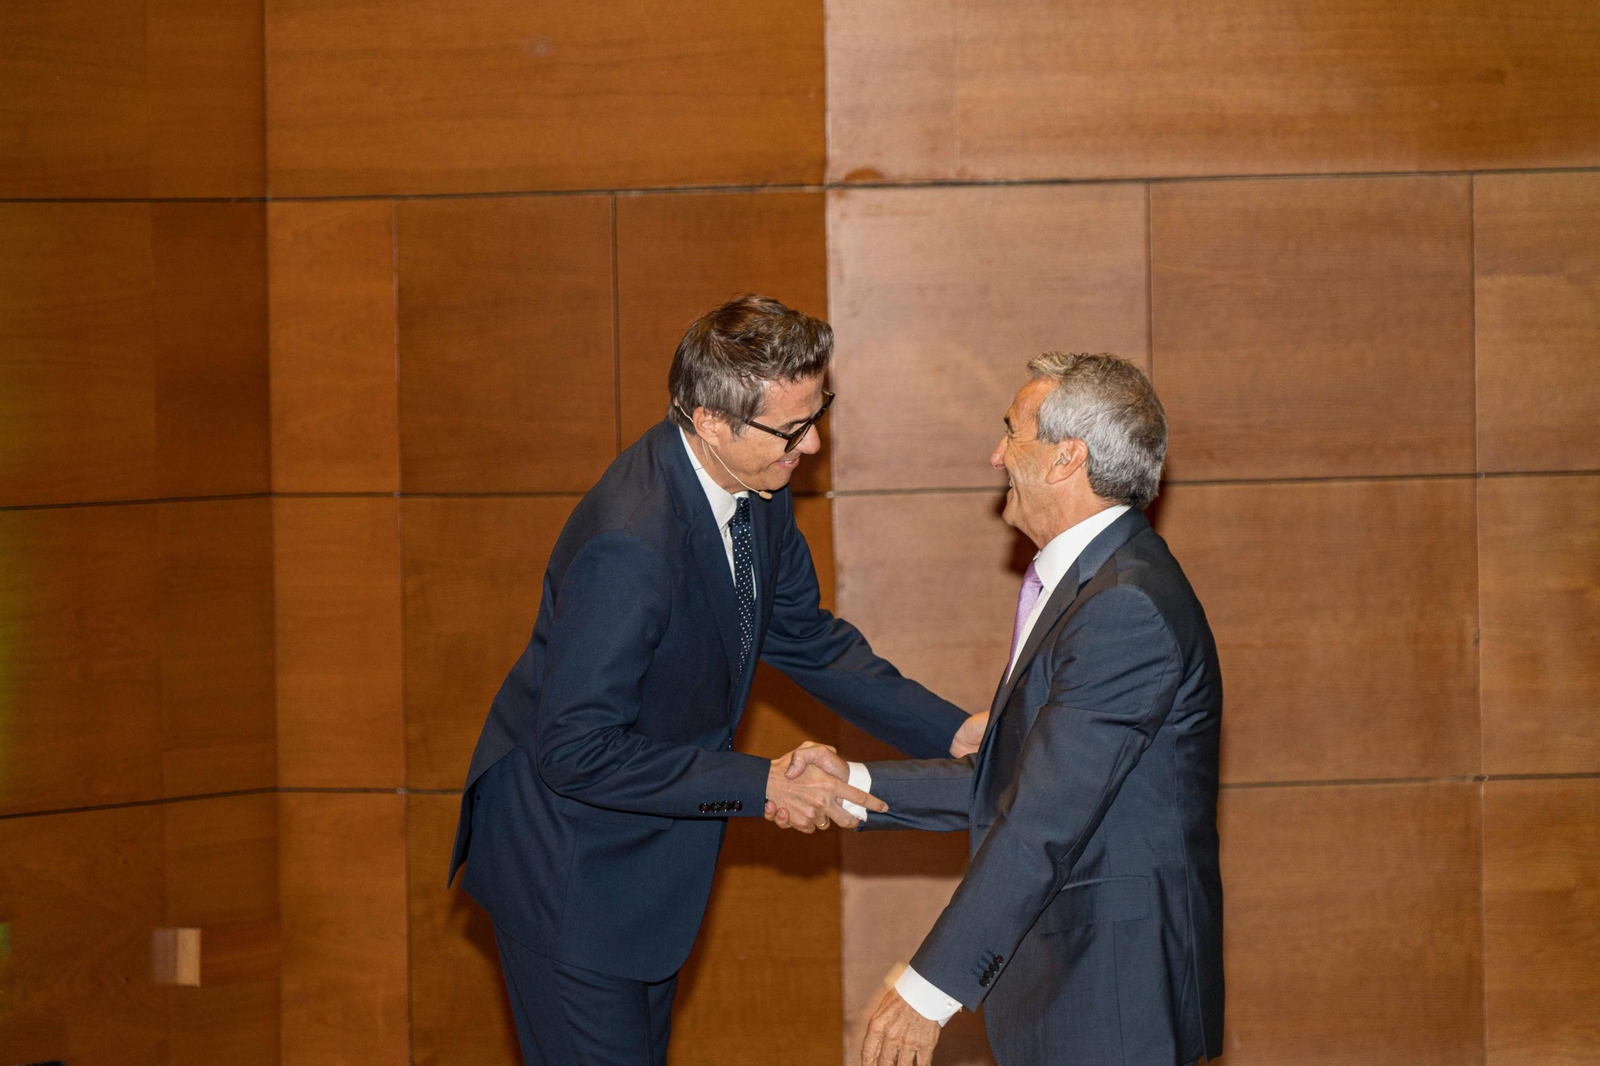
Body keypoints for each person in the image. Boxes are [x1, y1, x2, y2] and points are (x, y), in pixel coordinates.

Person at [447, 294, 986, 1066]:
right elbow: (573, 747)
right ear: (708, 419)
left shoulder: (757, 481)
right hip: (571, 872)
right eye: (792, 428)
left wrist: (952, 730)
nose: (813, 443)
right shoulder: (630, 545)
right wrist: (762, 783)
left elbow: (803, 636)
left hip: (648, 862)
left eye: (818, 412)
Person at [782, 352, 1223, 1066]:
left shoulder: (1124, 608)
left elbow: (1043, 817)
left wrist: (927, 993)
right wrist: (855, 785)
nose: (996, 456)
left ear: (1065, 459)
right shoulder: (1095, 586)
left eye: (1013, 433)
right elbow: (1022, 779)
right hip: (1077, 984)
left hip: (1111, 994)